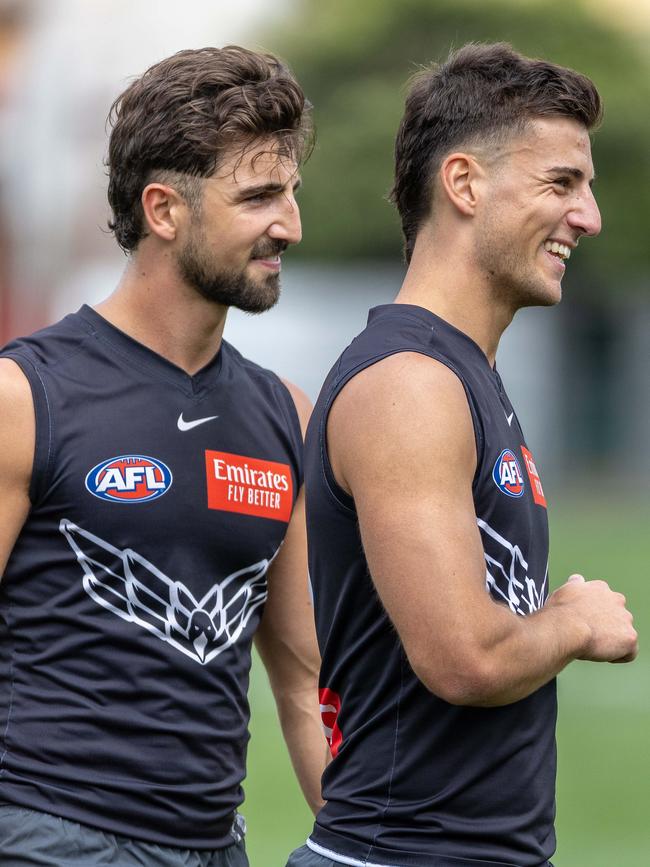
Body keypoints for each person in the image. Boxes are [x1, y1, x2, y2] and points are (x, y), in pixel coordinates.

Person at [287, 42, 638, 867]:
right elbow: (466, 658)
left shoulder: (464, 374)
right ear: (465, 184)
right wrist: (572, 621)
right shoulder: (411, 382)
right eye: (561, 183)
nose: (589, 216)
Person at [0, 45, 327, 867]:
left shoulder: (285, 414)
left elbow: (303, 679)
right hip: (48, 834)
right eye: (257, 196)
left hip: (218, 844)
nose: (289, 223)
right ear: (163, 209)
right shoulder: (24, 394)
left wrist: (376, 844)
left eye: (289, 192)